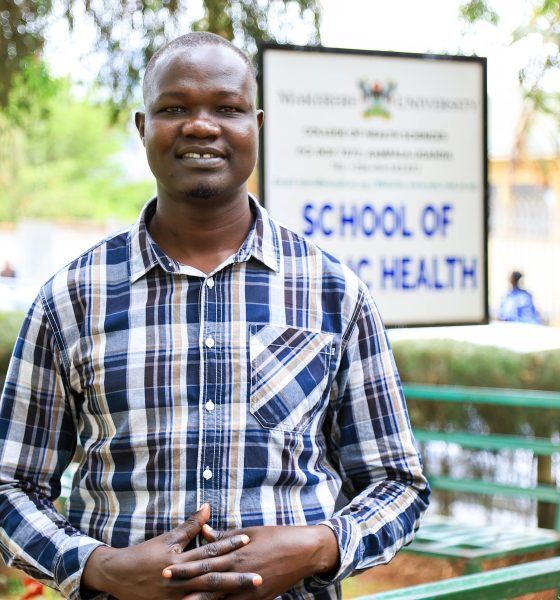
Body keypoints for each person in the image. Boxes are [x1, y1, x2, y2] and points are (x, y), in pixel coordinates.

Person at [0, 32, 429, 600]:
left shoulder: (333, 292)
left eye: (226, 109)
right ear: (142, 127)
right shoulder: (72, 299)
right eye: (174, 108)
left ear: (257, 125)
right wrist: (100, 566)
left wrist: (317, 546)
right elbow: (10, 485)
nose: (201, 126)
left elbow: (397, 484)